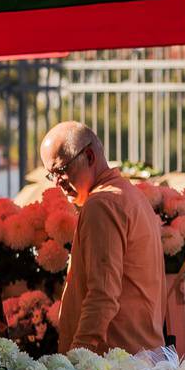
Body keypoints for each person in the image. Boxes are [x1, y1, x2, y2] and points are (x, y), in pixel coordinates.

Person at [39, 121, 165, 354]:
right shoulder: (127, 194)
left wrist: (79, 358)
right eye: (50, 175)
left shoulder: (102, 204)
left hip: (112, 365)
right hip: (136, 356)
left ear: (88, 156)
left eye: (60, 170)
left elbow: (103, 294)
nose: (57, 182)